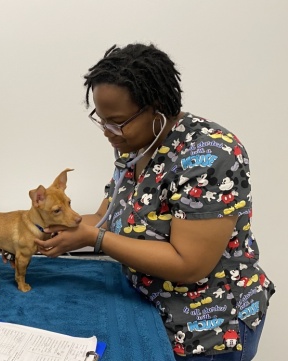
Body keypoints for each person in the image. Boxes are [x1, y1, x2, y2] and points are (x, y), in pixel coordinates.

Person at [33, 43, 275, 360]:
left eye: (117, 121)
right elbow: (105, 220)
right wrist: (37, 230)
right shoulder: (136, 145)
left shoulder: (211, 155)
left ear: (156, 108)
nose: (108, 132)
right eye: (101, 119)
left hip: (208, 328)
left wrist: (96, 239)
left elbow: (189, 264)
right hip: (149, 312)